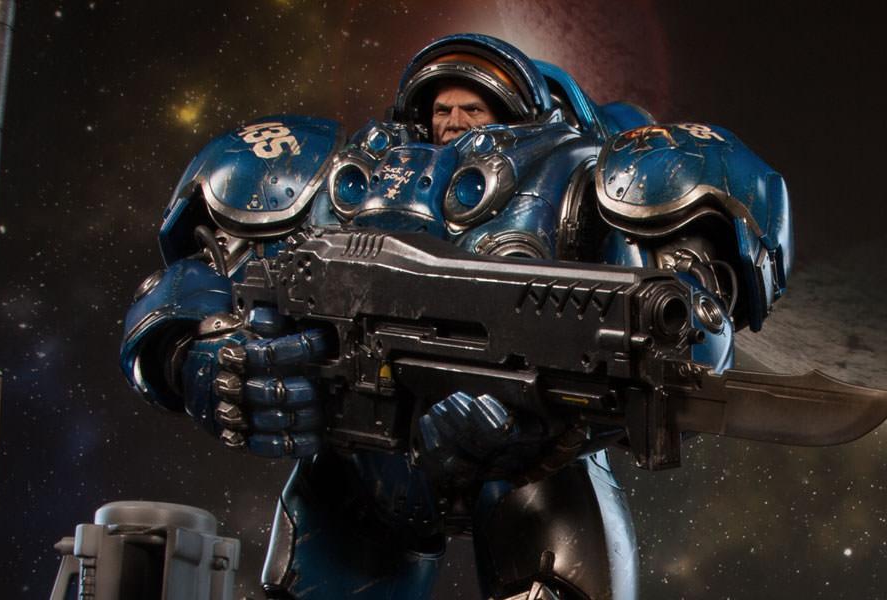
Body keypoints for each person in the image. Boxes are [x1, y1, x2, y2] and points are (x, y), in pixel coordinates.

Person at [121, 33, 792, 599]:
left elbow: (695, 322)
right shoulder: (337, 176)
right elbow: (191, 279)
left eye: (473, 107)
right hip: (359, 471)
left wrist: (556, 407)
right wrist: (200, 356)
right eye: (443, 108)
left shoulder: (577, 180)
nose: (453, 122)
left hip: (530, 468)